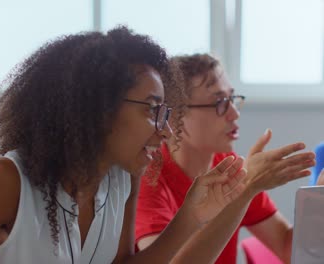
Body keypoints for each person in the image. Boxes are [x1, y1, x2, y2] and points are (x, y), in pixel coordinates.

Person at [0, 29, 310, 264]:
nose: (165, 130)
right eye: (154, 111)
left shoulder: (122, 181)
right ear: (98, 108)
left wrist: (191, 214)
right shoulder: (7, 180)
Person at [135, 53, 316, 264]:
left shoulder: (228, 164)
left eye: (232, 99)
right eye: (219, 102)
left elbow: (287, 248)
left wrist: (319, 206)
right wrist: (247, 188)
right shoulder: (150, 177)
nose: (234, 114)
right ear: (174, 116)